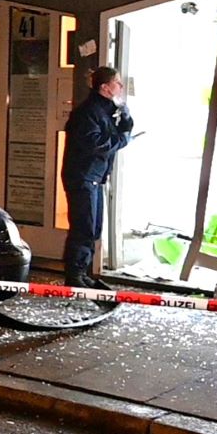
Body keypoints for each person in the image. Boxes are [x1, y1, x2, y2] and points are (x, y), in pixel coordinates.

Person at [61, 66, 133, 289]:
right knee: (84, 226)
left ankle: (82, 272)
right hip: (83, 176)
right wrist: (123, 139)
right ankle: (75, 275)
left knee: (93, 226)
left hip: (94, 176)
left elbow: (114, 132)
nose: (121, 87)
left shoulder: (104, 109)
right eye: (117, 83)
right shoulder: (89, 112)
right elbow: (97, 144)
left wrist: (126, 120)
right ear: (105, 87)